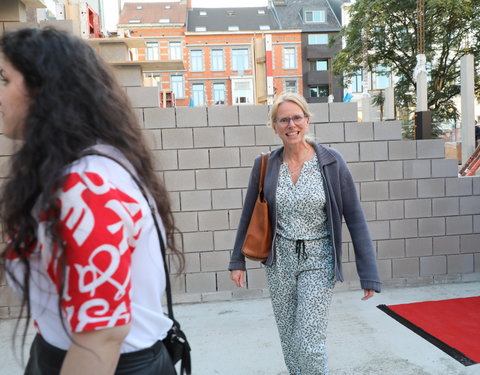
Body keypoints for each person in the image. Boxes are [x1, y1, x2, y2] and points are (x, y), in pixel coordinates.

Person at [0, 27, 183, 375]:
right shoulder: (86, 167)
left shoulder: (86, 186)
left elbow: (102, 336)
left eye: (5, 79)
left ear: (44, 90)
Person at [228, 92, 381, 375]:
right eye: (283, 119)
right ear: (274, 126)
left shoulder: (331, 162)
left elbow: (356, 219)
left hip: (318, 259)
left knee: (309, 341)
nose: (291, 125)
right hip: (279, 262)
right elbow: (249, 214)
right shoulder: (265, 164)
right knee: (290, 341)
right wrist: (237, 260)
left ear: (307, 121)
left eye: (297, 117)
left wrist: (368, 272)